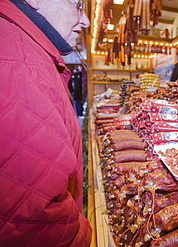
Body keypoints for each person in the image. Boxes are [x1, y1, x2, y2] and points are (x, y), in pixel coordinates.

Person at [0, 0, 91, 246]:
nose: (86, 21)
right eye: (78, 5)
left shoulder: (27, 50)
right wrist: (85, 234)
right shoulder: (17, 59)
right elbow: (36, 220)